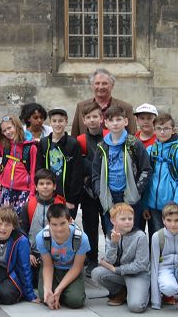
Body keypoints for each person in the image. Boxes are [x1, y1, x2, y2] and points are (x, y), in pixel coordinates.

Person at [90, 105, 152, 234]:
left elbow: (146, 169)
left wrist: (137, 189)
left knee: (133, 232)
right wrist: (99, 191)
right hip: (109, 195)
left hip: (129, 194)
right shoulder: (102, 146)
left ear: (126, 121)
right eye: (111, 120)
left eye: (118, 119)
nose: (115, 123)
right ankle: (114, 255)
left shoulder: (134, 143)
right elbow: (95, 173)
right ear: (105, 123)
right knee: (112, 232)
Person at [90, 203, 150, 313]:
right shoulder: (110, 235)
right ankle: (120, 291)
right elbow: (109, 261)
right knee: (96, 273)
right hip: (120, 275)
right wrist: (114, 243)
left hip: (137, 274)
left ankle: (143, 292)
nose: (127, 221)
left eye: (130, 219)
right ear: (113, 221)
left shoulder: (140, 236)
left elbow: (141, 265)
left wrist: (116, 269)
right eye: (123, 219)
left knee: (136, 306)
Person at [142, 113, 178, 236]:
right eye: (159, 129)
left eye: (166, 128)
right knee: (156, 238)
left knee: (172, 237)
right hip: (153, 205)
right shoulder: (150, 150)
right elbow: (147, 180)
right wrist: (145, 204)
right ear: (154, 130)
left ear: (173, 130)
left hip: (172, 204)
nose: (162, 132)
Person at [35, 204, 90, 309]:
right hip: (53, 269)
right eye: (54, 224)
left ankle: (64, 291)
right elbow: (47, 265)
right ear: (48, 223)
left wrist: (59, 289)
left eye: (62, 223)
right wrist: (47, 290)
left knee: (76, 301)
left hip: (71, 270)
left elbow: (77, 267)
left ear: (70, 221)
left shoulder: (81, 238)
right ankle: (60, 292)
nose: (59, 229)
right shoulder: (42, 237)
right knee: (44, 296)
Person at [77, 103, 107, 276]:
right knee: (90, 225)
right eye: (88, 117)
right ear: (84, 120)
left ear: (101, 119)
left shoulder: (109, 137)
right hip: (88, 192)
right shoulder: (81, 140)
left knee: (108, 224)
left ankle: (110, 257)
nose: (92, 120)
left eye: (95, 116)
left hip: (106, 189)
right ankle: (92, 258)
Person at [38, 108, 83, 217]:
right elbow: (39, 169)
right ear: (50, 122)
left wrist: (72, 199)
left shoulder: (73, 144)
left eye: (60, 121)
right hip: (48, 194)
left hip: (67, 196)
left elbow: (77, 173)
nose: (57, 124)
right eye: (54, 121)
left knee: (65, 225)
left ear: (66, 122)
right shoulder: (44, 143)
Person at [71, 68, 136, 136]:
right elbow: (74, 135)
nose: (100, 87)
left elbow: (132, 136)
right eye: (97, 83)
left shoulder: (126, 108)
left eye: (104, 83)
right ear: (92, 85)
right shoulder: (81, 106)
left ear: (112, 86)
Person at [0, 115, 38, 211]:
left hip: (24, 190)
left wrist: (32, 193)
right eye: (4, 131)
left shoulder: (30, 147)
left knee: (19, 221)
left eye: (9, 128)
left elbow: (33, 172)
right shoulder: (6, 145)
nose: (7, 132)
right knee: (4, 220)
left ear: (16, 126)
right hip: (6, 189)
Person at [24, 171, 67, 237]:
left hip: (55, 246)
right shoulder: (28, 205)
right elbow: (23, 229)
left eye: (48, 183)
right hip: (33, 246)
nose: (45, 186)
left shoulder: (60, 205)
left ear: (54, 186)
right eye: (41, 184)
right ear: (36, 187)